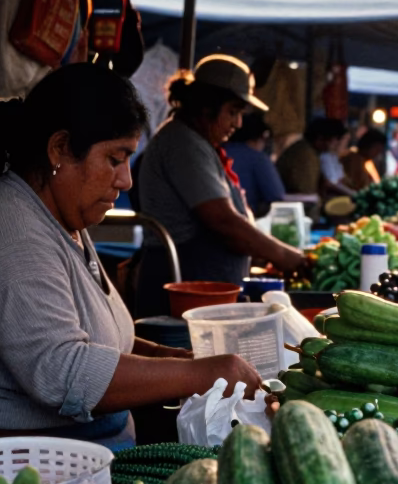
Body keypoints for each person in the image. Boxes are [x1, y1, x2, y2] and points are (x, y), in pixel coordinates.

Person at [0, 65, 263, 448]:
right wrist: (197, 374)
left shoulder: (60, 216)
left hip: (96, 446)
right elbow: (65, 372)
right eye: (114, 158)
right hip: (34, 468)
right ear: (59, 148)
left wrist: (172, 359)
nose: (126, 180)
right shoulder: (13, 235)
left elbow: (91, 335)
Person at [137, 55, 305, 315]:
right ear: (206, 106)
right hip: (181, 295)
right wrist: (286, 257)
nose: (238, 123)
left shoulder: (198, 143)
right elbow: (223, 222)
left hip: (203, 295)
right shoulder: (183, 144)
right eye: (233, 112)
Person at [225, 112, 286, 218]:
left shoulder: (216, 151)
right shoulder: (257, 158)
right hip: (244, 222)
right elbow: (276, 196)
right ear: (261, 138)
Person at [276, 118, 348, 196]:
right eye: (336, 139)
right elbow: (306, 191)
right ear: (320, 138)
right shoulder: (306, 155)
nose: (338, 143)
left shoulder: (308, 151)